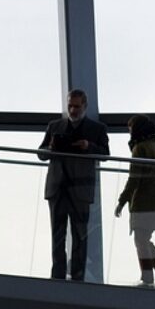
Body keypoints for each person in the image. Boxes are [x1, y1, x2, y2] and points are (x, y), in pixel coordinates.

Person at [37, 88, 109, 281]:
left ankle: (77, 277)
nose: (72, 110)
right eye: (70, 106)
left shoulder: (97, 129)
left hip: (80, 190)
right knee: (57, 235)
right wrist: (51, 148)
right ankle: (58, 277)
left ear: (85, 106)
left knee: (80, 235)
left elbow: (105, 154)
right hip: (58, 188)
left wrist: (88, 146)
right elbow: (41, 154)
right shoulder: (55, 126)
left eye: (76, 106)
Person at [114, 114, 155, 287]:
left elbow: (134, 179)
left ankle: (148, 277)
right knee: (144, 239)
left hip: (144, 202)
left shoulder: (140, 148)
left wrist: (122, 201)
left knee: (140, 240)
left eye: (130, 129)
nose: (129, 133)